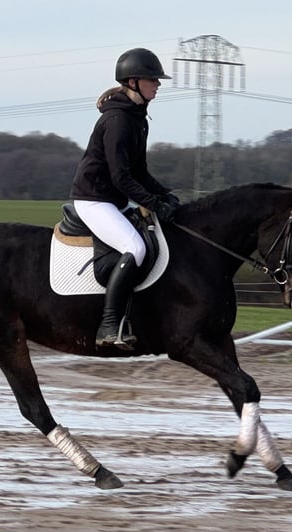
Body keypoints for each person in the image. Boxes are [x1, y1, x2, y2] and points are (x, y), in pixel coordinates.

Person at [70, 47, 180, 351]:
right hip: (93, 199)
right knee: (136, 247)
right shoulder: (118, 120)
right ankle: (109, 324)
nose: (158, 84)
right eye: (153, 79)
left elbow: (140, 171)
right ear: (133, 82)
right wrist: (154, 203)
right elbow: (121, 177)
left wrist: (165, 195)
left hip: (113, 200)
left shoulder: (138, 118)